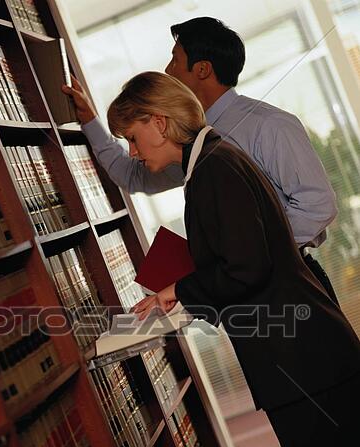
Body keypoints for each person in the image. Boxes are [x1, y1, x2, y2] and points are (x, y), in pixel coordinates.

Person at [106, 70, 360, 447]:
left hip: (303, 363)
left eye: (132, 138)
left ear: (158, 123)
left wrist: (179, 288)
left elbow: (246, 269)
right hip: (306, 360)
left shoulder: (213, 168)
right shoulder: (214, 157)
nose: (134, 153)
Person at [62, 16, 340, 306]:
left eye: (174, 61)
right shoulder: (184, 145)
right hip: (244, 292)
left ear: (202, 70)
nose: (166, 71)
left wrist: (246, 254)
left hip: (293, 283)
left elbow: (318, 205)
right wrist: (90, 121)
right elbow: (132, 176)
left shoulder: (269, 125)